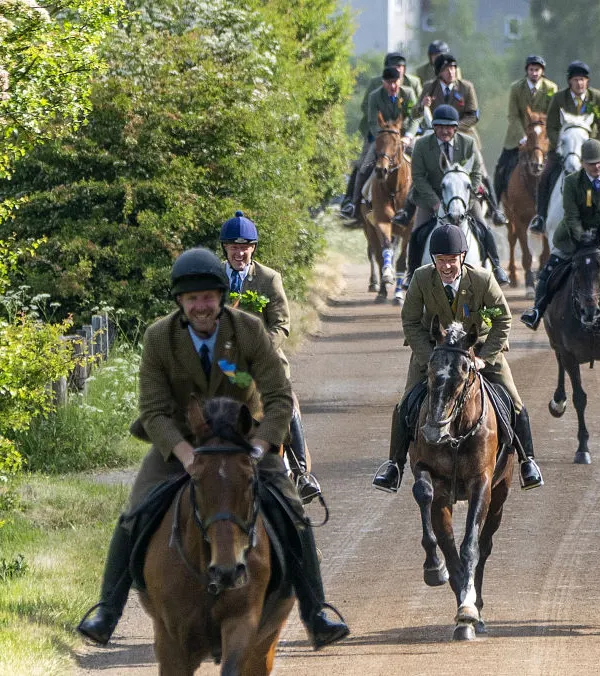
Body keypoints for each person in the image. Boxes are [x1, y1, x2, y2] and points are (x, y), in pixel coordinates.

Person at [76, 248, 349, 649]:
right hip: (183, 444)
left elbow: (279, 397)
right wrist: (184, 454)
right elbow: (153, 410)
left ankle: (317, 612)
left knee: (293, 513)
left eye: (207, 297)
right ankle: (107, 611)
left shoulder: (249, 331)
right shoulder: (158, 338)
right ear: (180, 303)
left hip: (244, 440)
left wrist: (259, 447)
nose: (201, 306)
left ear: (220, 297)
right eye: (192, 299)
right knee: (134, 512)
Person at [372, 224, 543, 492]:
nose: (447, 267)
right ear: (433, 260)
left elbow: (503, 318)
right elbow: (411, 322)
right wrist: (430, 358)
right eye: (441, 261)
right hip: (434, 354)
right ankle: (394, 466)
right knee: (405, 404)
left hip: (479, 351)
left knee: (515, 401)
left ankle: (527, 461)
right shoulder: (420, 278)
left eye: (452, 260)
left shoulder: (483, 280)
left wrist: (484, 358)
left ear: (462, 257)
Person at [219, 211, 323, 503]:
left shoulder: (268, 278)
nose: (239, 252)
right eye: (234, 247)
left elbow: (282, 324)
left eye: (245, 246)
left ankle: (302, 473)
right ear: (225, 248)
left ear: (253, 248)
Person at [520, 139, 600, 331]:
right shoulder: (572, 181)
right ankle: (537, 311)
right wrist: (582, 237)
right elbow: (571, 215)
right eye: (591, 163)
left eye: (599, 162)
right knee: (549, 272)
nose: (596, 166)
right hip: (574, 237)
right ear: (583, 163)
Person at [403, 104, 509, 286]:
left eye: (449, 127)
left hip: (464, 195)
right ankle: (412, 273)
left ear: (455, 127)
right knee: (417, 233)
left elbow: (476, 173)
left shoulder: (468, 143)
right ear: (434, 127)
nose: (445, 131)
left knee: (484, 228)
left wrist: (466, 195)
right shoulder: (421, 145)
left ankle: (497, 267)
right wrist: (435, 203)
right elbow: (418, 177)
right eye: (440, 127)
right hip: (432, 196)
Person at [414, 53, 506, 225]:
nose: (451, 72)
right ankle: (406, 210)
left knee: (482, 171)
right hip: (435, 135)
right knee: (421, 168)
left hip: (465, 135)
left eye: (454, 68)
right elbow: (414, 114)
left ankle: (495, 208)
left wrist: (454, 127)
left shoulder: (466, 87)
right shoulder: (429, 87)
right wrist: (422, 106)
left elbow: (474, 115)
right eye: (447, 69)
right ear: (439, 72)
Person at [529, 61, 600, 234]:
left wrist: (595, 147)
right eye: (576, 80)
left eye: (582, 80)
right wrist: (559, 144)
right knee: (545, 176)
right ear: (570, 82)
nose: (579, 84)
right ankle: (541, 217)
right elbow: (551, 126)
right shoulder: (559, 98)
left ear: (587, 81)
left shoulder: (597, 97)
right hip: (564, 148)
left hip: (592, 149)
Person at [341, 52, 421, 219]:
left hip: (405, 136)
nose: (393, 86)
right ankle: (353, 203)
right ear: (384, 82)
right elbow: (371, 120)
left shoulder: (408, 92)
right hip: (381, 136)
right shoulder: (374, 94)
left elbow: (414, 118)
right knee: (365, 164)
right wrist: (385, 136)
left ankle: (431, 201)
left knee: (422, 158)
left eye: (396, 81)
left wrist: (409, 136)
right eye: (389, 82)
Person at [494, 55, 558, 207]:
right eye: (531, 70)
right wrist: (522, 136)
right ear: (527, 71)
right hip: (519, 137)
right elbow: (513, 115)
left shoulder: (551, 89)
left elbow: (553, 114)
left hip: (543, 138)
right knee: (501, 167)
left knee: (560, 165)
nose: (534, 73)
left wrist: (545, 136)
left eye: (537, 70)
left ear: (542, 71)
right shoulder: (516, 88)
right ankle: (495, 207)